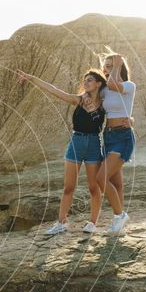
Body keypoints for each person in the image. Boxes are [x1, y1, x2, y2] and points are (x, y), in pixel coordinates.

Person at [17, 68, 107, 234]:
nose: (85, 83)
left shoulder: (105, 102)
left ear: (98, 84)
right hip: (76, 142)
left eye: (89, 80)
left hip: (94, 143)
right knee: (68, 187)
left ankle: (92, 223)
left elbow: (121, 104)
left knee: (94, 187)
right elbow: (54, 90)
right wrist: (32, 78)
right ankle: (62, 222)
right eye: (84, 80)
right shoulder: (79, 100)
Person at [97, 48, 136, 235]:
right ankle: (118, 223)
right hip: (108, 136)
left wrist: (117, 63)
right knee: (116, 183)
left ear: (119, 67)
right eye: (104, 67)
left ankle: (120, 215)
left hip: (123, 137)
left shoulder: (129, 86)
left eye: (110, 67)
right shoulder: (104, 90)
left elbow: (114, 83)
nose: (106, 71)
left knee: (100, 178)